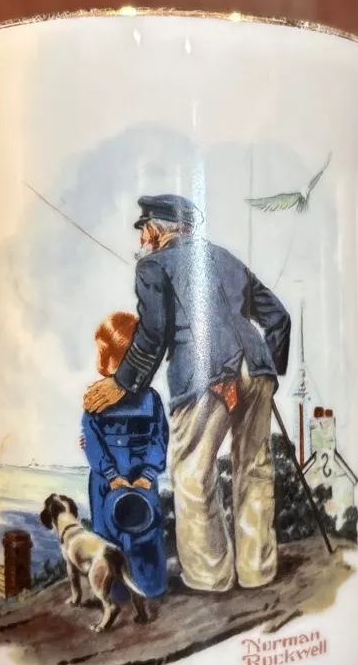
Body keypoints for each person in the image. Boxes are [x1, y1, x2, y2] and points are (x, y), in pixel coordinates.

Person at [84, 194, 291, 593]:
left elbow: (153, 333)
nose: (142, 238)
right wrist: (267, 365)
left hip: (205, 376)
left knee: (193, 475)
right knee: (255, 469)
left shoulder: (152, 266)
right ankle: (257, 571)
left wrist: (121, 383)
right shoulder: (227, 258)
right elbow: (278, 317)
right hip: (257, 371)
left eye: (143, 230)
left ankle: (210, 577)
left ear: (155, 230)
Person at [81, 312, 169, 599]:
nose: (100, 360)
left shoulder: (150, 399)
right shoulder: (98, 398)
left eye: (105, 352)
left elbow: (159, 437)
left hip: (138, 479)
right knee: (109, 538)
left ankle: (150, 588)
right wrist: (112, 475)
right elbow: (92, 441)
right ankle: (118, 593)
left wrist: (147, 475)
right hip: (109, 482)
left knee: (146, 531)